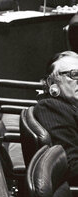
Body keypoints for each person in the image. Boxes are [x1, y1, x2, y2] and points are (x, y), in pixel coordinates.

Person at [34, 51, 78, 185]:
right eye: (74, 74)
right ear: (53, 81)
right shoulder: (51, 107)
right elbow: (73, 167)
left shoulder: (71, 105)